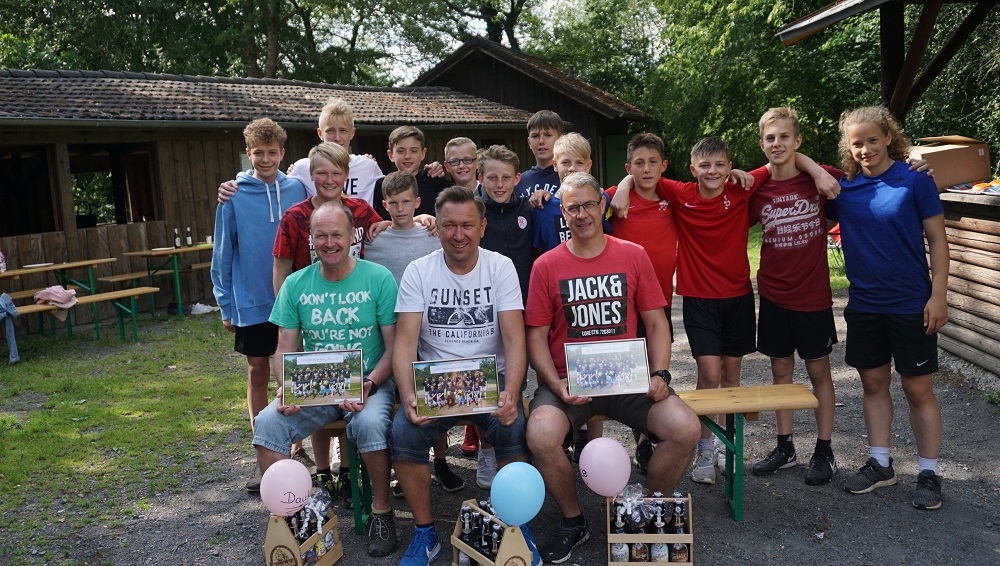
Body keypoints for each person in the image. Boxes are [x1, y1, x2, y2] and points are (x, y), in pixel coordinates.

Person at [611, 137, 837, 485]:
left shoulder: (742, 188)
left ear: (730, 167)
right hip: (698, 298)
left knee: (732, 374)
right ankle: (704, 449)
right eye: (705, 166)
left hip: (739, 296)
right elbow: (643, 173)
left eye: (720, 165)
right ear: (692, 169)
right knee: (709, 372)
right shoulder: (680, 193)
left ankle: (725, 448)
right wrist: (624, 187)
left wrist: (818, 173)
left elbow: (780, 160)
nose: (712, 172)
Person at [524, 172, 701, 564]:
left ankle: (646, 508)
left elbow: (657, 323)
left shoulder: (632, 255)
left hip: (628, 379)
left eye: (589, 205)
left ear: (602, 205)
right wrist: (555, 382)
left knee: (686, 429)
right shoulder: (546, 265)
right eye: (573, 208)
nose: (582, 214)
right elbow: (535, 335)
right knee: (540, 435)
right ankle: (574, 521)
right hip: (569, 382)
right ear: (563, 213)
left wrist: (661, 374)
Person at [391, 186, 536, 566]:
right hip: (436, 383)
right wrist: (408, 394)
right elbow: (404, 343)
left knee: (514, 428)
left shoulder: (500, 267)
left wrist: (512, 392)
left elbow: (515, 339)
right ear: (437, 228)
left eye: (467, 225)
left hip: (489, 381)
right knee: (404, 432)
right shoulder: (418, 271)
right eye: (450, 225)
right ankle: (425, 532)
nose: (459, 235)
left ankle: (517, 525)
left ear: (482, 227)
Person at [252, 201, 401, 556]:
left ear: (352, 236)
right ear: (310, 239)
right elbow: (284, 347)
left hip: (370, 381)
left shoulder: (378, 278)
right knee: (267, 424)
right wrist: (287, 388)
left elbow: (395, 346)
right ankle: (296, 517)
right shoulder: (295, 284)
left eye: (337, 234)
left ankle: (382, 512)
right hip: (316, 386)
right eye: (321, 235)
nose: (329, 242)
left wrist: (371, 383)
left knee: (369, 424)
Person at [828, 106, 948, 510]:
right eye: (857, 143)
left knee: (918, 389)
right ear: (848, 148)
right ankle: (880, 463)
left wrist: (938, 295)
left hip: (912, 304)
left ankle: (929, 472)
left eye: (873, 140)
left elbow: (938, 240)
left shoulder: (915, 180)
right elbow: (797, 170)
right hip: (865, 305)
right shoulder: (844, 189)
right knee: (873, 385)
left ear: (889, 138)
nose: (866, 149)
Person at [270, 141, 383, 504]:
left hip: (356, 321)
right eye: (322, 173)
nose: (329, 179)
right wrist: (292, 313)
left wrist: (422, 220)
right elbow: (282, 269)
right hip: (312, 320)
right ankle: (310, 484)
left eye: (337, 172)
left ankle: (359, 484)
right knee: (295, 400)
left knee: (359, 408)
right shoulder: (295, 216)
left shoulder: (361, 211)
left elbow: (390, 226)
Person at [210, 117, 306, 492]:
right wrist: (225, 303)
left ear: (283, 153)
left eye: (272, 153)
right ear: (248, 153)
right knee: (258, 371)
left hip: (293, 299)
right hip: (251, 300)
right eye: (258, 153)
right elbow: (222, 252)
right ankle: (262, 453)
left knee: (295, 371)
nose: (265, 160)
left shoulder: (297, 188)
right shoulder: (233, 195)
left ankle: (296, 447)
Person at [748, 107, 841, 485]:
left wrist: (915, 165)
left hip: (812, 296)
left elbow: (868, 174)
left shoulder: (819, 178)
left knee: (819, 372)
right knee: (780, 371)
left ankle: (824, 449)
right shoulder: (757, 188)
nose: (777, 144)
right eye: (770, 138)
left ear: (797, 141)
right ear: (762, 144)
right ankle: (785, 446)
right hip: (773, 294)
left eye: (784, 137)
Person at [364, 171, 465, 494]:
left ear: (417, 202)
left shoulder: (431, 234)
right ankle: (403, 466)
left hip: (431, 327)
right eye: (393, 203)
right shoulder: (375, 240)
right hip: (392, 329)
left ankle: (441, 461)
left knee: (434, 391)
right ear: (384, 205)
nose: (400, 208)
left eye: (406, 201)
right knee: (400, 398)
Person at [604, 133, 678, 474]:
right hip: (623, 306)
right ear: (628, 167)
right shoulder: (614, 198)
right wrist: (622, 188)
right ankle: (641, 440)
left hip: (659, 303)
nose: (646, 169)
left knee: (654, 371)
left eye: (652, 162)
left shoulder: (672, 198)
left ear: (663, 166)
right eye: (638, 163)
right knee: (630, 374)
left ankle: (652, 434)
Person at [474, 144, 534, 305]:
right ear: (481, 179)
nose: (499, 184)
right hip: (484, 299)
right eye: (492, 178)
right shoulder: (472, 212)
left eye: (506, 177)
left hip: (523, 298)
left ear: (517, 178)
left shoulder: (529, 209)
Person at [372, 126, 451, 218]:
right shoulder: (382, 185)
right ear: (391, 155)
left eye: (414, 151)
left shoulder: (435, 181)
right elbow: (378, 220)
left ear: (423, 153)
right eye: (401, 151)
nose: (407, 156)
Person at [515, 110, 563, 199]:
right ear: (529, 142)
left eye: (548, 135)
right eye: (535, 136)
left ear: (560, 139)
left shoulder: (567, 177)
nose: (541, 141)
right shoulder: (519, 181)